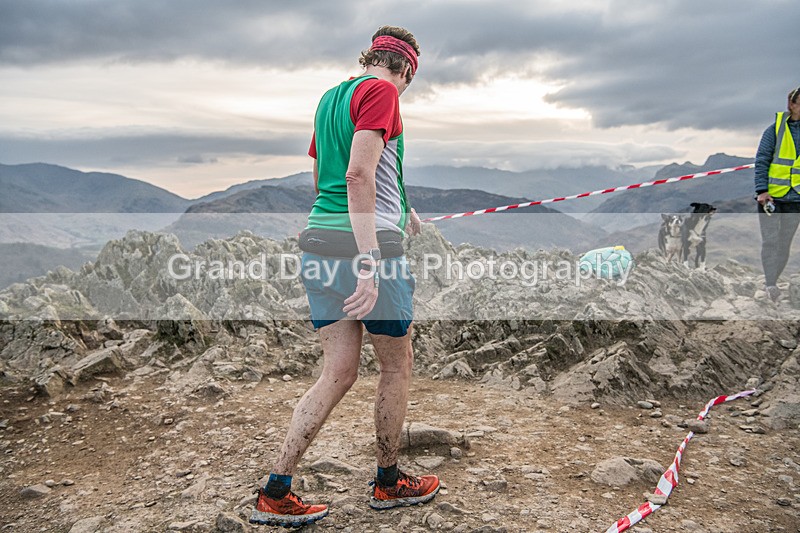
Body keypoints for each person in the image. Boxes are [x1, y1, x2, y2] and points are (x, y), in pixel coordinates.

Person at [250, 26, 437, 528]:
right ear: (406, 69)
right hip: (368, 252)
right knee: (396, 366)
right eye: (410, 80)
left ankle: (276, 490)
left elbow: (326, 179)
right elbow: (357, 175)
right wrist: (371, 261)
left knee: (337, 371)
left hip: (320, 243)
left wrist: (401, 207)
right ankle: (388, 481)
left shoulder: (331, 99)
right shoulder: (383, 93)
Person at [755, 86, 800, 303]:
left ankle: (772, 281)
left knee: (784, 244)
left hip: (796, 199)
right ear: (792, 104)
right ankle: (770, 284)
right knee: (770, 242)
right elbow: (762, 160)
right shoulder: (774, 130)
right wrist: (762, 190)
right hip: (771, 198)